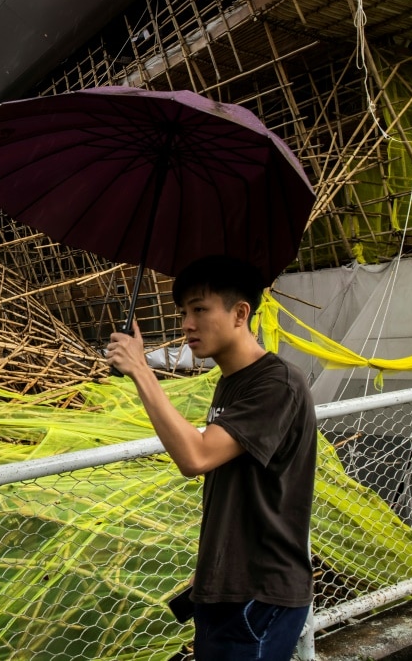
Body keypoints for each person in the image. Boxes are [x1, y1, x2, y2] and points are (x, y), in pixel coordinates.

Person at [105, 255, 316, 661]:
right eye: (184, 312)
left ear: (240, 313)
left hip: (260, 594)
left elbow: (196, 457)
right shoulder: (231, 382)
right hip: (226, 585)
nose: (186, 324)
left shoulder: (277, 384)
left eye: (200, 309)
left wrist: (142, 372)